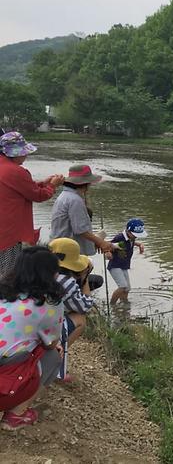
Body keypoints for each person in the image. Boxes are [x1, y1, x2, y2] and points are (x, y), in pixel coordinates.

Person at [0, 246, 64, 430]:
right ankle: (16, 414)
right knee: (51, 356)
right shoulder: (48, 302)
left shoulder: (4, 292)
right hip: (6, 382)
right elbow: (52, 341)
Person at [0, 132, 64, 278]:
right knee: (7, 273)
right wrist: (53, 185)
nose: (26, 156)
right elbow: (39, 195)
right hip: (9, 232)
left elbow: (19, 188)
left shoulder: (3, 167)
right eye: (24, 152)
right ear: (15, 153)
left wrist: (43, 183)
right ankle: (5, 299)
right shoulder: (16, 171)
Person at [50, 164, 114, 255]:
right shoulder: (75, 200)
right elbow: (80, 230)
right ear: (85, 184)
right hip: (68, 250)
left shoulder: (64, 196)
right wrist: (101, 242)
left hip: (59, 246)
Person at [49, 238, 95, 348]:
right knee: (80, 318)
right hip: (46, 334)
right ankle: (58, 353)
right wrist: (85, 277)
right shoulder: (66, 282)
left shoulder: (41, 273)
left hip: (29, 325)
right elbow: (85, 306)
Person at [106, 219, 147, 305]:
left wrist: (139, 244)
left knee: (127, 288)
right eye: (135, 235)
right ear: (128, 231)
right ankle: (112, 305)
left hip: (124, 265)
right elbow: (107, 245)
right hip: (115, 265)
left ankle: (124, 303)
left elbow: (131, 242)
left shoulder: (131, 237)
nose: (135, 237)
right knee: (122, 286)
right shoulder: (120, 237)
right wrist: (108, 252)